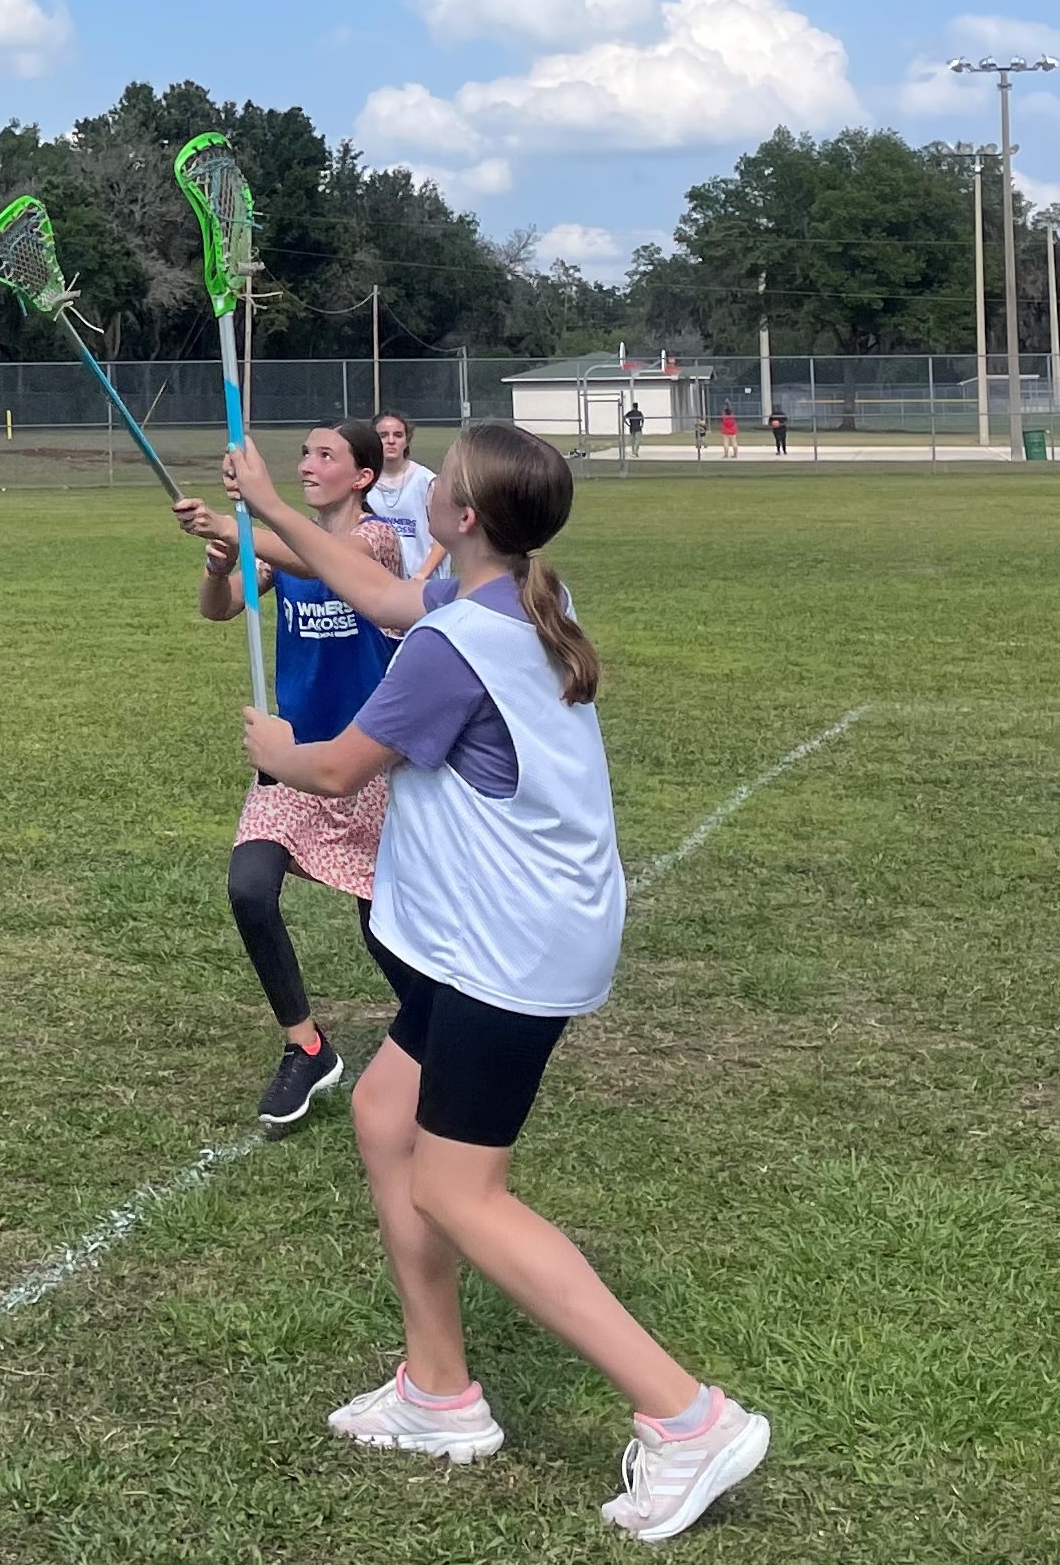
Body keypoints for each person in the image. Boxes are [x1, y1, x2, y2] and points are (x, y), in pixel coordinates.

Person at [223, 421, 770, 1542]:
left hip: (507, 951)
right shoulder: (502, 606)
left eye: (448, 479)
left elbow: (332, 774)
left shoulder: (451, 646)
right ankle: (438, 1391)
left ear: (462, 516)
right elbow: (380, 598)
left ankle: (686, 1415)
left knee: (459, 1191)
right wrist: (274, 513)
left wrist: (277, 751)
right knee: (385, 1113)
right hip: (508, 935)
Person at [172, 421, 408, 1127]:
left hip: (366, 761)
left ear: (362, 476)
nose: (308, 464)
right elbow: (221, 609)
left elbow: (321, 562)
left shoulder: (376, 541)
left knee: (385, 929)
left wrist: (235, 520)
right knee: (249, 887)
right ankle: (305, 1047)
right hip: (294, 756)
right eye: (304, 453)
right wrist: (220, 561)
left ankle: (440, 1030)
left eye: (325, 455)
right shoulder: (286, 544)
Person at [368, 411, 447, 583]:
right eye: (383, 435)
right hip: (380, 584)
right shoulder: (365, 482)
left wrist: (422, 575)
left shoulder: (426, 481)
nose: (391, 441)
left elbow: (443, 538)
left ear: (406, 440)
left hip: (423, 583)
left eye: (398, 435)